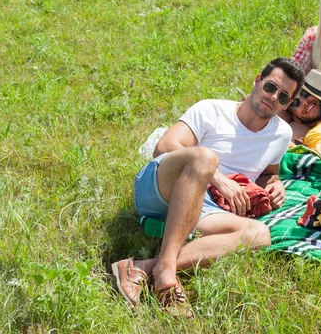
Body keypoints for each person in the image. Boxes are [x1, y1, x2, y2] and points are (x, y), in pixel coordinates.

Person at [111, 58, 304, 317]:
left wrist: (275, 183)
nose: (273, 98)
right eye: (270, 87)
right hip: (159, 187)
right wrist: (217, 178)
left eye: (283, 97)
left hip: (205, 206)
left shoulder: (281, 134)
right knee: (205, 157)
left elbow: (268, 173)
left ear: (288, 105)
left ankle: (142, 268)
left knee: (260, 234)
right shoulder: (212, 110)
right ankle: (166, 276)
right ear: (257, 80)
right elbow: (165, 146)